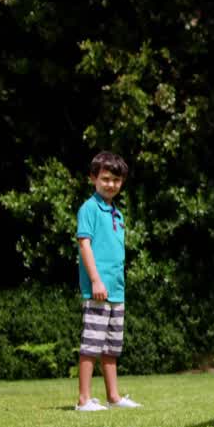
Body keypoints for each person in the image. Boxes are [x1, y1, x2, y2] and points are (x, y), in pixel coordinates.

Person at [74, 151, 142, 411]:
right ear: (93, 178)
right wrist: (95, 281)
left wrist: (114, 284)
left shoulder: (117, 214)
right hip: (98, 289)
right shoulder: (89, 209)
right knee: (92, 342)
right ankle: (83, 400)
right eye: (105, 179)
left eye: (116, 179)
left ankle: (113, 397)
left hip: (116, 290)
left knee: (112, 345)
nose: (111, 184)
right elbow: (85, 245)